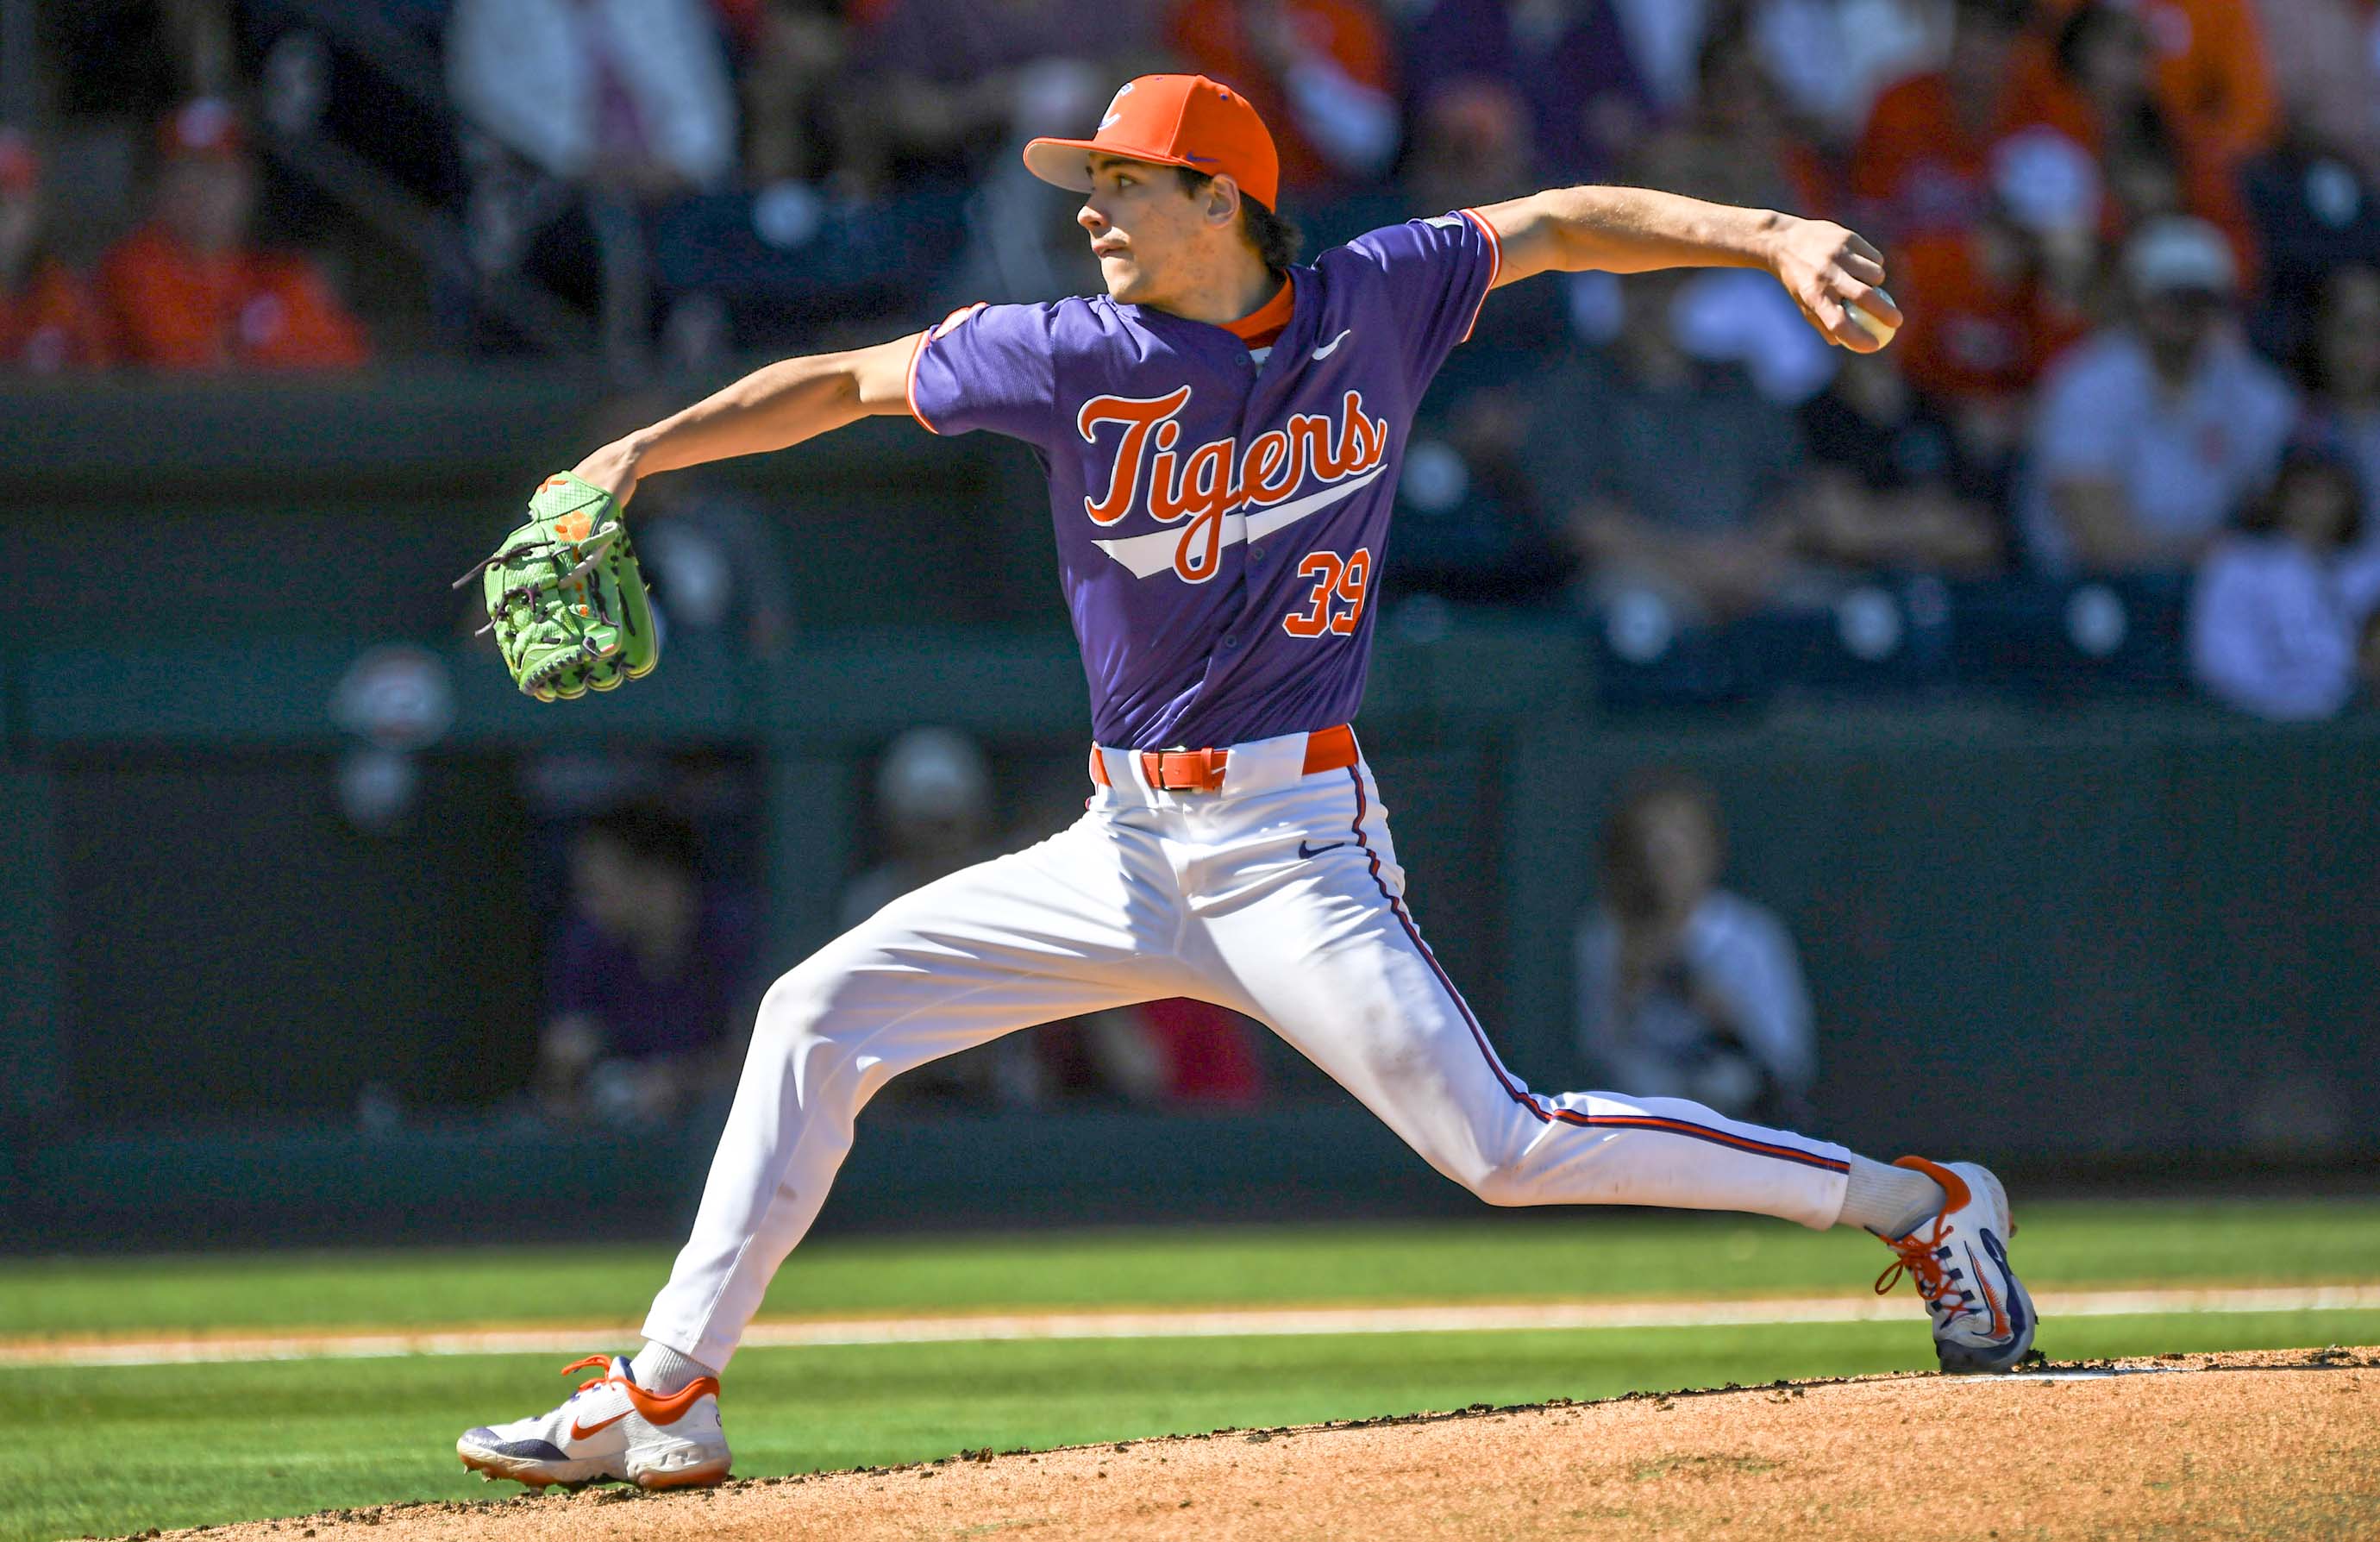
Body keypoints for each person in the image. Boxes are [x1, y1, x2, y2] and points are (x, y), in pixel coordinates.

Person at [457, 72, 2035, 1493]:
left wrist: (1767, 233)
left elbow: (1558, 221)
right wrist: (634, 457)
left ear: (1223, 199)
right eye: (1091, 183)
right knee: (818, 1012)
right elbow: (847, 381)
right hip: (1123, 839)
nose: (1090, 210)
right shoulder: (1068, 349)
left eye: (1125, 183)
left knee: (1503, 1147)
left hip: (1296, 843)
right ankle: (666, 1391)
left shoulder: (1382, 298)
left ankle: (1920, 1201)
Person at [2022, 216, 2295, 574]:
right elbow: (2100, 539)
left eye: (2197, 297)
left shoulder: (2257, 393)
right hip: (2087, 590)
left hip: (2214, 587)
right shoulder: (2086, 385)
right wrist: (2211, 555)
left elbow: (2284, 514)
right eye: (2169, 295)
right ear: (2138, 298)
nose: (2182, 310)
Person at [1576, 776, 1817, 1127]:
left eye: (1679, 841)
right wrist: (1627, 992)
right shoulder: (1606, 937)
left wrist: (1726, 1018)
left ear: (1709, 850)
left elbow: (1790, 1058)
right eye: (1649, 841)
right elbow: (1597, 1052)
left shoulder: (1749, 936)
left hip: (1740, 1129)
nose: (1663, 857)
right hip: (1639, 1132)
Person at [97, 100, 371, 371]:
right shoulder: (132, 267)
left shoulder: (279, 275)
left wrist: (249, 352)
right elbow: (183, 363)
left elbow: (347, 359)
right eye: (187, 171)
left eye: (219, 173)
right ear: (157, 187)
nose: (204, 190)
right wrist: (273, 349)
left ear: (246, 186)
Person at [537, 802, 759, 1126]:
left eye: (599, 889)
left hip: (722, 1126)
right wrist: (567, 1074)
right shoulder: (588, 942)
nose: (588, 905)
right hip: (622, 1127)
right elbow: (560, 1075)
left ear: (658, 879)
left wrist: (677, 1082)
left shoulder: (733, 932)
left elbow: (761, 1064)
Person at [2188, 442, 2378, 719]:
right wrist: (2280, 702)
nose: (2316, 504)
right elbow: (2218, 659)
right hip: (2253, 726)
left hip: (2350, 724)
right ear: (2278, 494)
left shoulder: (2370, 571)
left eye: (2329, 492)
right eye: (2305, 490)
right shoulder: (2237, 566)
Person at [0, 129, 110, 373]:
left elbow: (98, 391)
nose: (4, 216)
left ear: (35, 211)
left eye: (12, 202)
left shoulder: (62, 294)